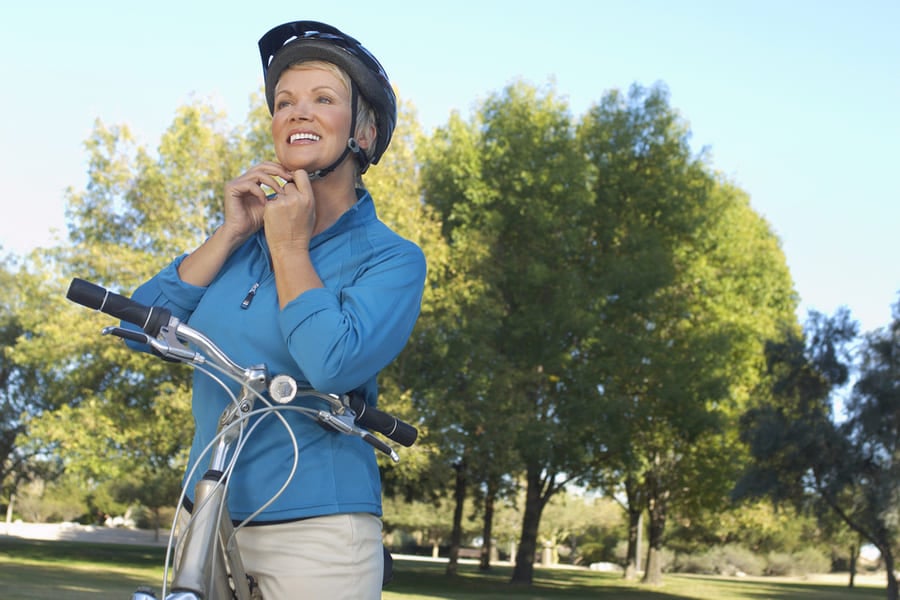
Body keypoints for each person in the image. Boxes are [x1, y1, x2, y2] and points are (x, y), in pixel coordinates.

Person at [126, 20, 426, 599]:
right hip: (205, 509)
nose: (297, 112)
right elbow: (139, 326)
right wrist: (231, 232)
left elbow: (333, 364)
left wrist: (290, 245)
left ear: (363, 130)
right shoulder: (242, 245)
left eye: (323, 99)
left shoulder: (392, 259)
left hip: (318, 527)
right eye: (284, 102)